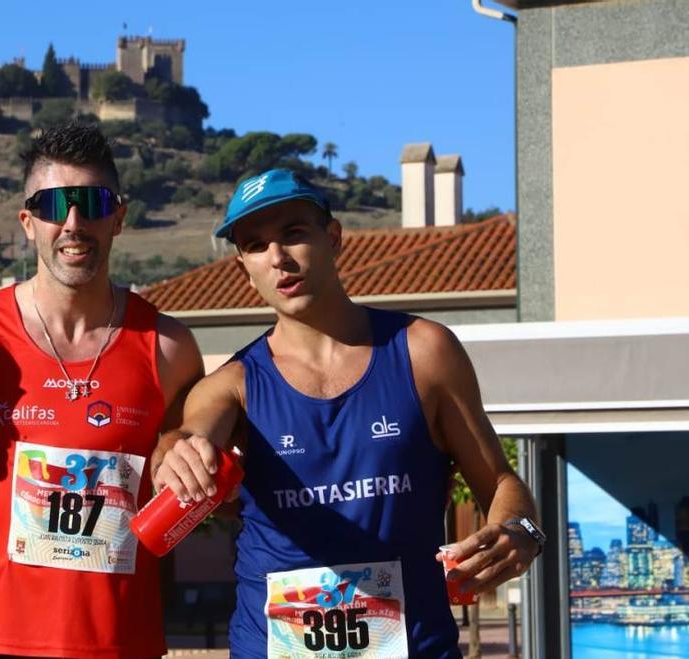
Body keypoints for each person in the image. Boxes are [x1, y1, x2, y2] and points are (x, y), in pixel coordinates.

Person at [152, 169, 543, 658]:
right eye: (256, 245)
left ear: (333, 238)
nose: (278, 258)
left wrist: (520, 532)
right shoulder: (232, 385)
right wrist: (178, 452)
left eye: (294, 234)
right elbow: (191, 434)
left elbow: (501, 481)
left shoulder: (424, 352)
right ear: (243, 268)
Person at [0, 121, 204, 657]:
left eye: (91, 202)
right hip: (7, 647)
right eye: (52, 205)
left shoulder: (169, 348)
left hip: (128, 647)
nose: (73, 222)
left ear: (119, 217)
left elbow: (204, 483)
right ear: (27, 221)